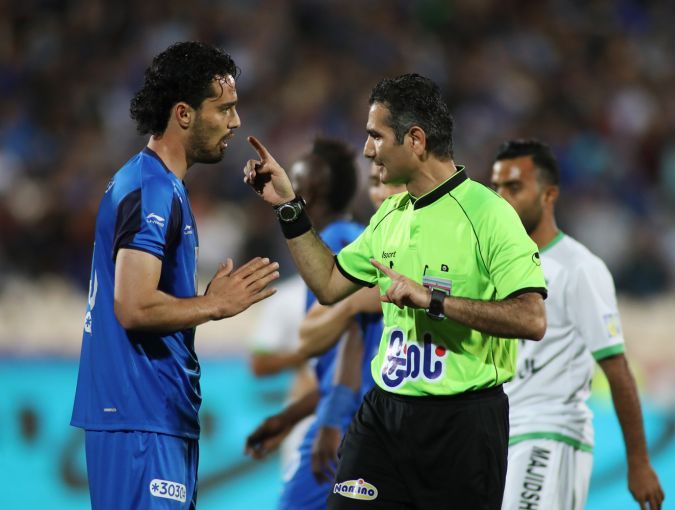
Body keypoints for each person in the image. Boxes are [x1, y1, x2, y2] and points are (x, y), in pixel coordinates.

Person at [243, 73, 547, 510]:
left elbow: (531, 318)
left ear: (416, 140)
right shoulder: (390, 214)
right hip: (385, 414)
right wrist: (289, 208)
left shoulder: (489, 215)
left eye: (376, 136)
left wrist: (434, 301)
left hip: (463, 424)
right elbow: (328, 283)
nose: (368, 150)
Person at [70, 41, 280, 510]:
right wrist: (215, 304)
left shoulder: (163, 187)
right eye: (224, 108)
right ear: (184, 114)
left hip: (156, 415)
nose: (236, 121)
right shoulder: (151, 189)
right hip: (138, 416)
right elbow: (133, 305)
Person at [492, 139, 664, 510]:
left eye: (514, 187)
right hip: (498, 434)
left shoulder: (579, 268)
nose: (502, 198)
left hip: (551, 434)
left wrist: (638, 462)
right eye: (497, 187)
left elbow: (617, 368)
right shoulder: (495, 264)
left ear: (549, 194)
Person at [245, 138, 384, 510]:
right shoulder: (357, 239)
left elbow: (351, 341)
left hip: (345, 420)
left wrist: (330, 421)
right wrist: (288, 417)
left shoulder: (334, 246)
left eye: (294, 182)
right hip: (363, 413)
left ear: (309, 192)